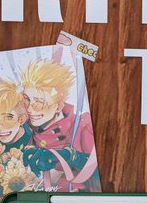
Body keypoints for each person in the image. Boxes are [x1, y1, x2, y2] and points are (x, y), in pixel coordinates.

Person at [20, 59, 100, 191]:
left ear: (58, 106)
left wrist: (72, 157)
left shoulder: (83, 126)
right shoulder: (26, 128)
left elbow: (102, 174)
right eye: (26, 99)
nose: (29, 109)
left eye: (39, 103)